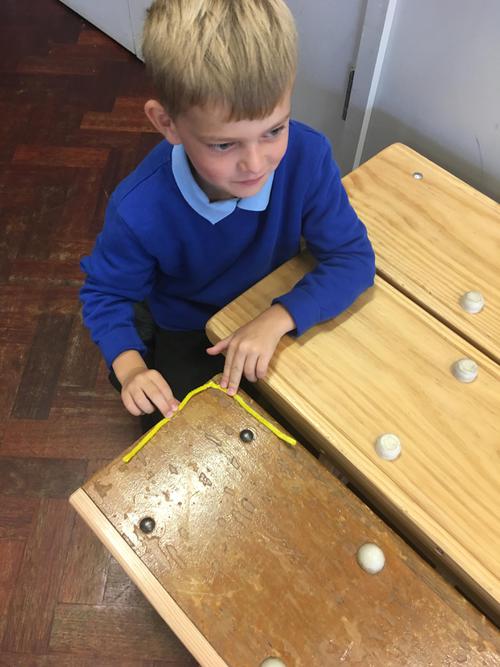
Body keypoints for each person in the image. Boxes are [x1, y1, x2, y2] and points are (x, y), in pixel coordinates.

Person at [80, 0, 375, 432]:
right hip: (190, 330)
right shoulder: (139, 209)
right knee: (186, 430)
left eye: (274, 130)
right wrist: (131, 369)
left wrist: (277, 318)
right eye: (224, 144)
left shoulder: (308, 156)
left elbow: (353, 258)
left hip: (272, 302)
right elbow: (105, 294)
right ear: (167, 123)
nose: (256, 164)